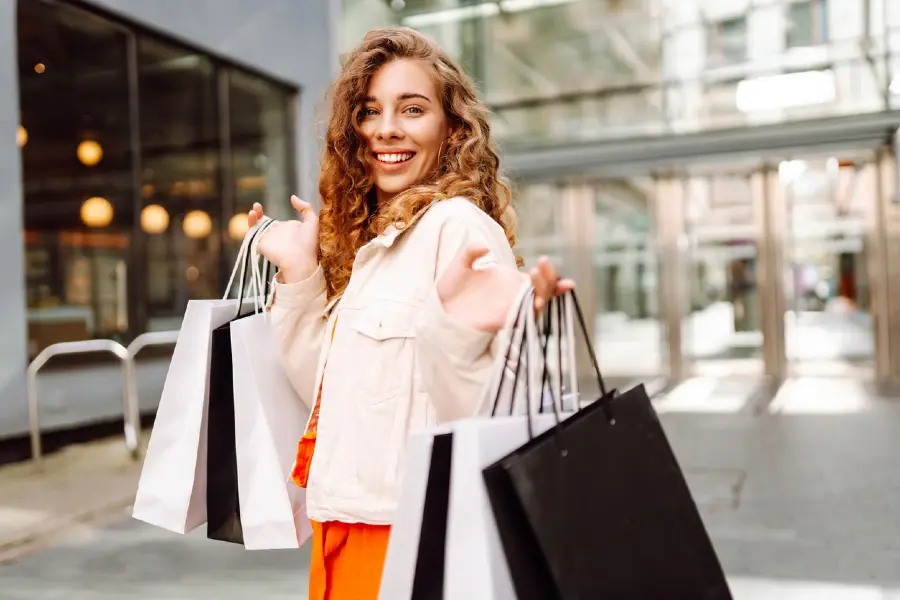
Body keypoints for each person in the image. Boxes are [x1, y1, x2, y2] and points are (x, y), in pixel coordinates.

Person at [248, 26, 572, 600]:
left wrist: (457, 336)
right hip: (344, 528)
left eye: (412, 109)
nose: (386, 128)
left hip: (409, 537)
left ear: (452, 130)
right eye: (370, 111)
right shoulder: (378, 241)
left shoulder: (459, 229)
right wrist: (302, 275)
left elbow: (496, 417)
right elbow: (327, 393)